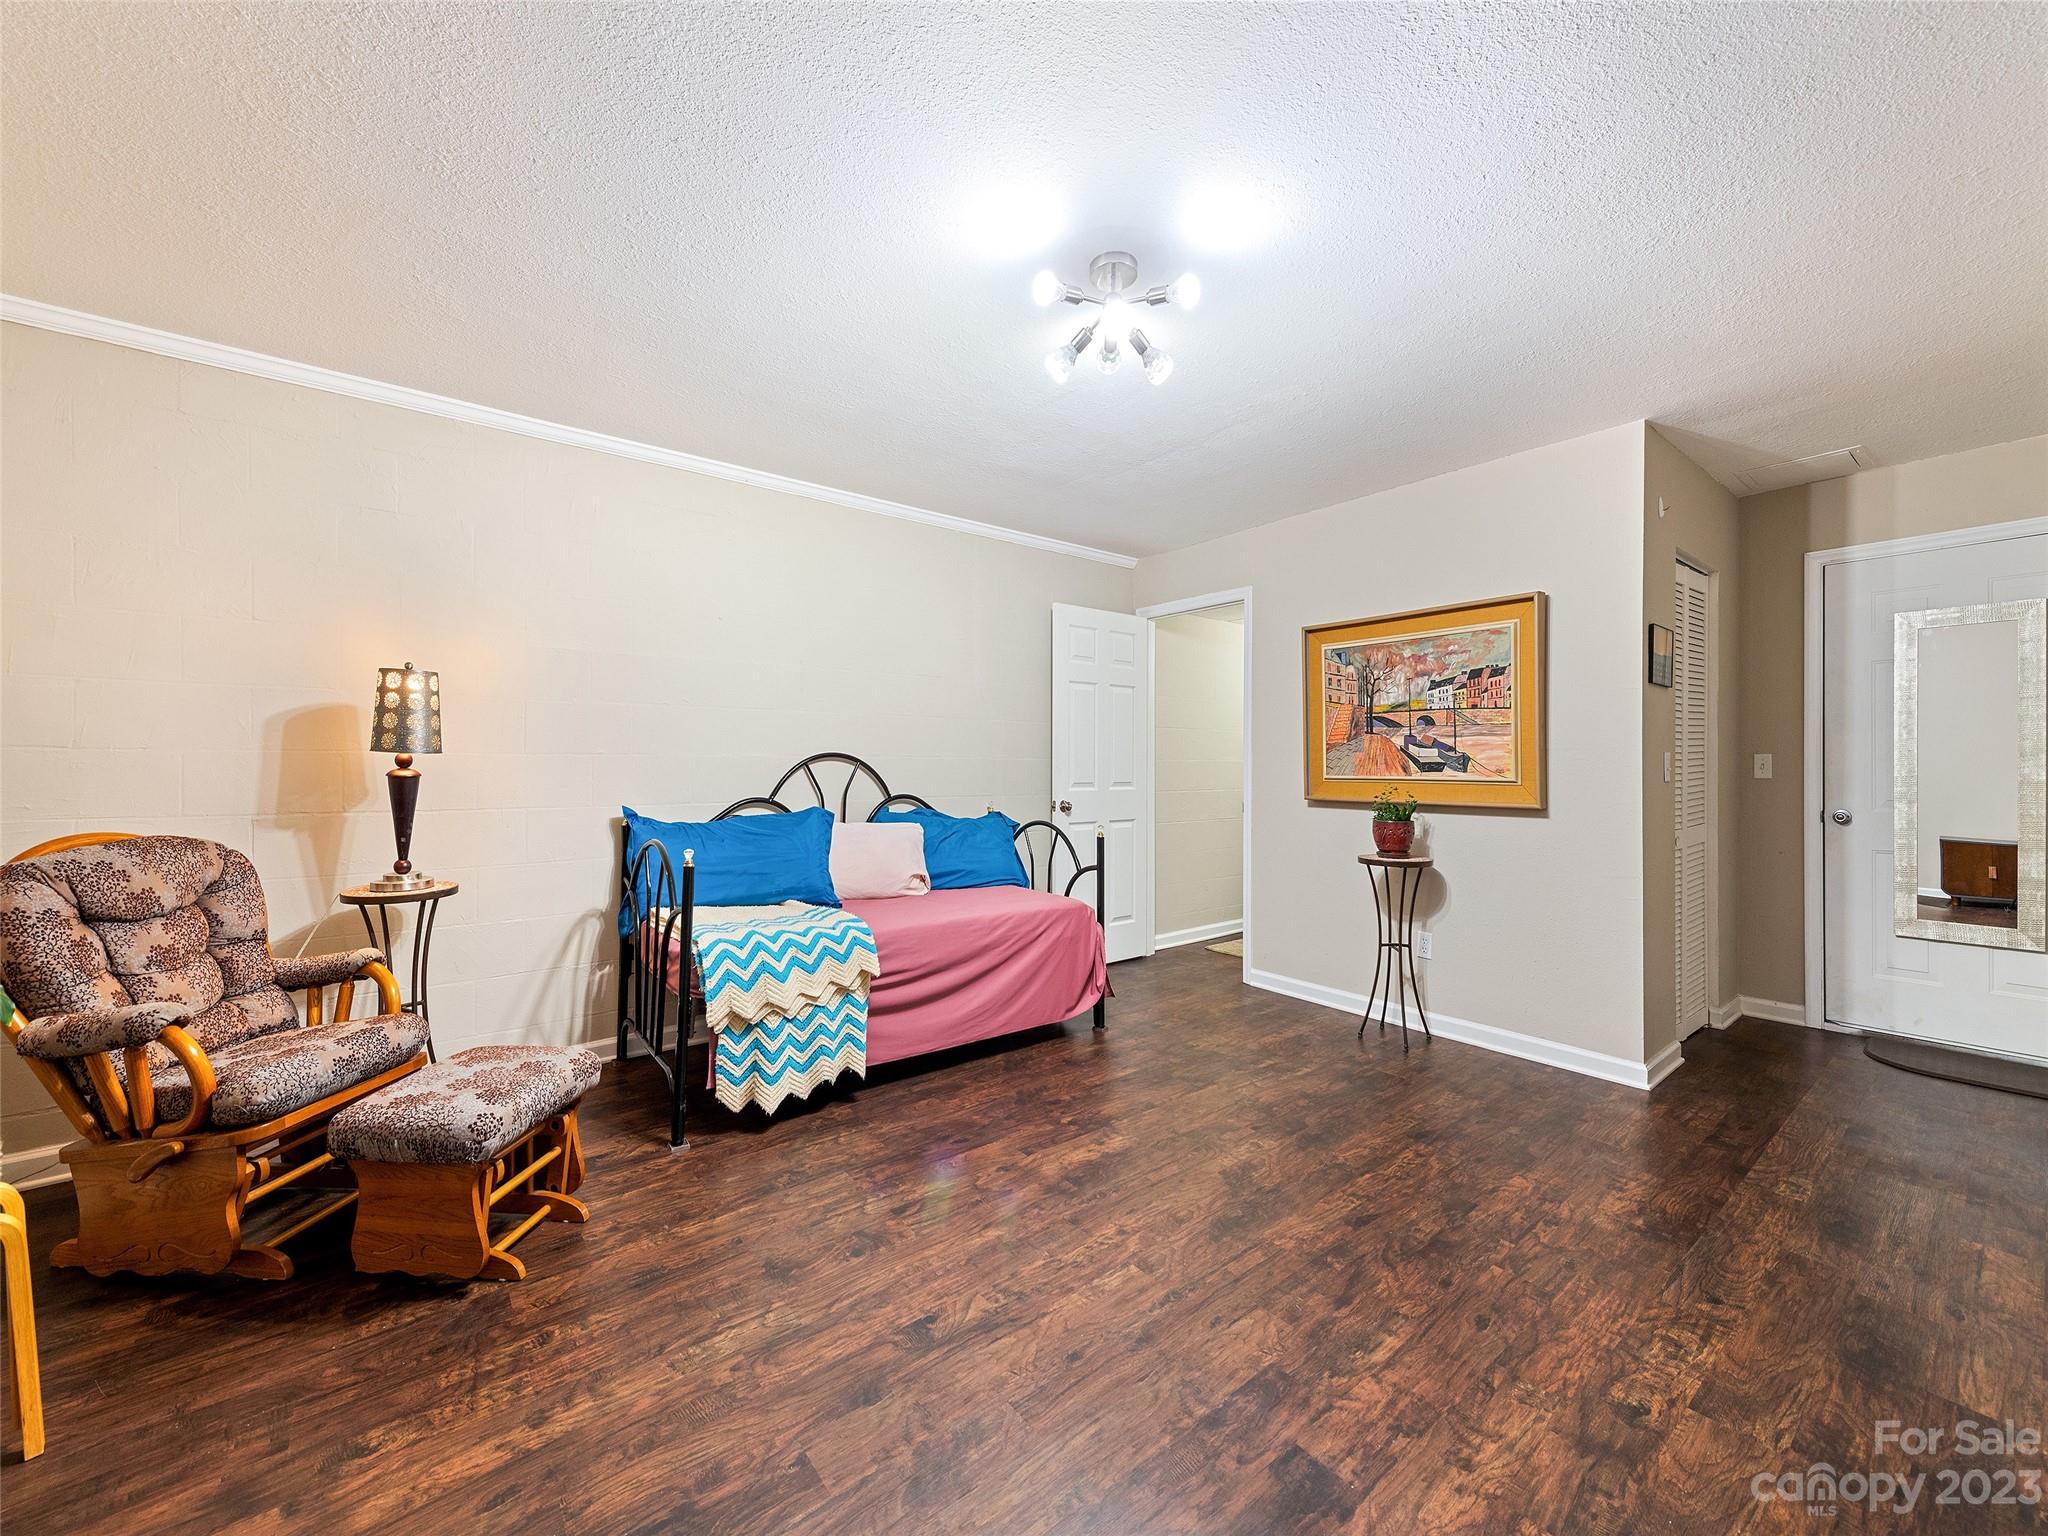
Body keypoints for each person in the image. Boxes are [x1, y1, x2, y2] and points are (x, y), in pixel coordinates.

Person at [1403, 714, 1470, 772]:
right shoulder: (1425, 736)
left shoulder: (1428, 736)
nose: (1417, 727)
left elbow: (1440, 744)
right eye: (1418, 725)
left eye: (1419, 725)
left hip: (1441, 747)